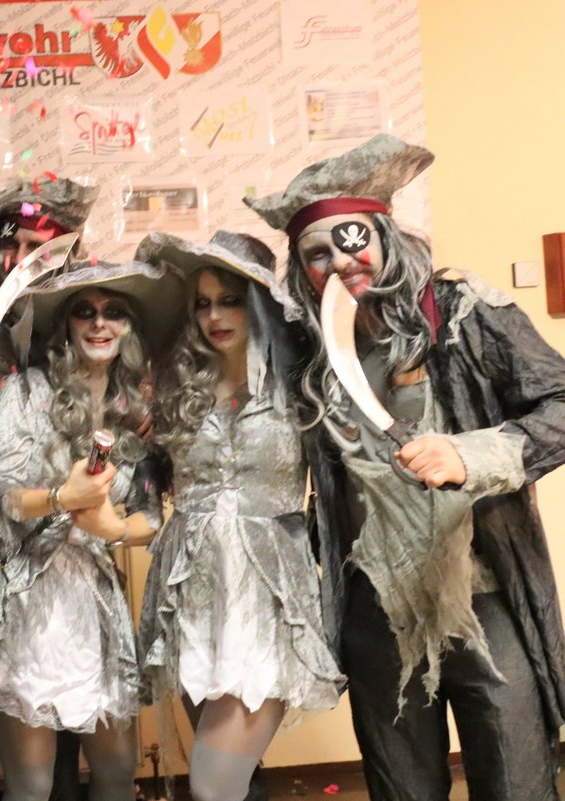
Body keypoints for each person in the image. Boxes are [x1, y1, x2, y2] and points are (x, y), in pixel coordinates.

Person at [246, 133, 565, 800]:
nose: (341, 260)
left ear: (386, 236)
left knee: (516, 780)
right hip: (376, 609)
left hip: (483, 595)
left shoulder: (464, 314)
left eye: (352, 238)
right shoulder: (311, 356)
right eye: (317, 253)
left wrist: (470, 453)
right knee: (403, 788)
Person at [0, 260, 170, 801]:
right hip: (25, 600)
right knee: (31, 783)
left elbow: (151, 514)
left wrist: (115, 527)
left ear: (129, 327)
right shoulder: (26, 391)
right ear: (65, 324)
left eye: (114, 312)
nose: (99, 323)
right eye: (85, 311)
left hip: (95, 604)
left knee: (118, 768)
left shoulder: (133, 409)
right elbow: (0, 495)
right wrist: (63, 498)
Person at [134, 232, 343, 801]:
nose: (214, 316)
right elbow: (148, 479)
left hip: (267, 598)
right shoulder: (177, 386)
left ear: (258, 302)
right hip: (190, 596)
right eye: (203, 303)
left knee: (212, 784)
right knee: (233, 786)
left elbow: (339, 484)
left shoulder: (303, 383)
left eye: (229, 300)